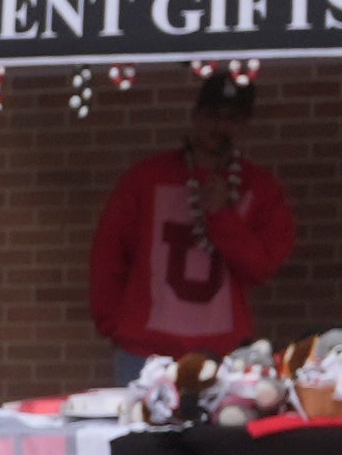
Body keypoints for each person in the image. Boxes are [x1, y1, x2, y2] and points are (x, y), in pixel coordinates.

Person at [88, 69, 295, 369]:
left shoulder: (260, 189)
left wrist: (222, 217)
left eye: (231, 118)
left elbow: (261, 268)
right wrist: (114, 324)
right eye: (212, 114)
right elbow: (109, 254)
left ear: (244, 125)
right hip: (144, 350)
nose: (219, 126)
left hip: (223, 352)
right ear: (196, 115)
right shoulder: (146, 179)